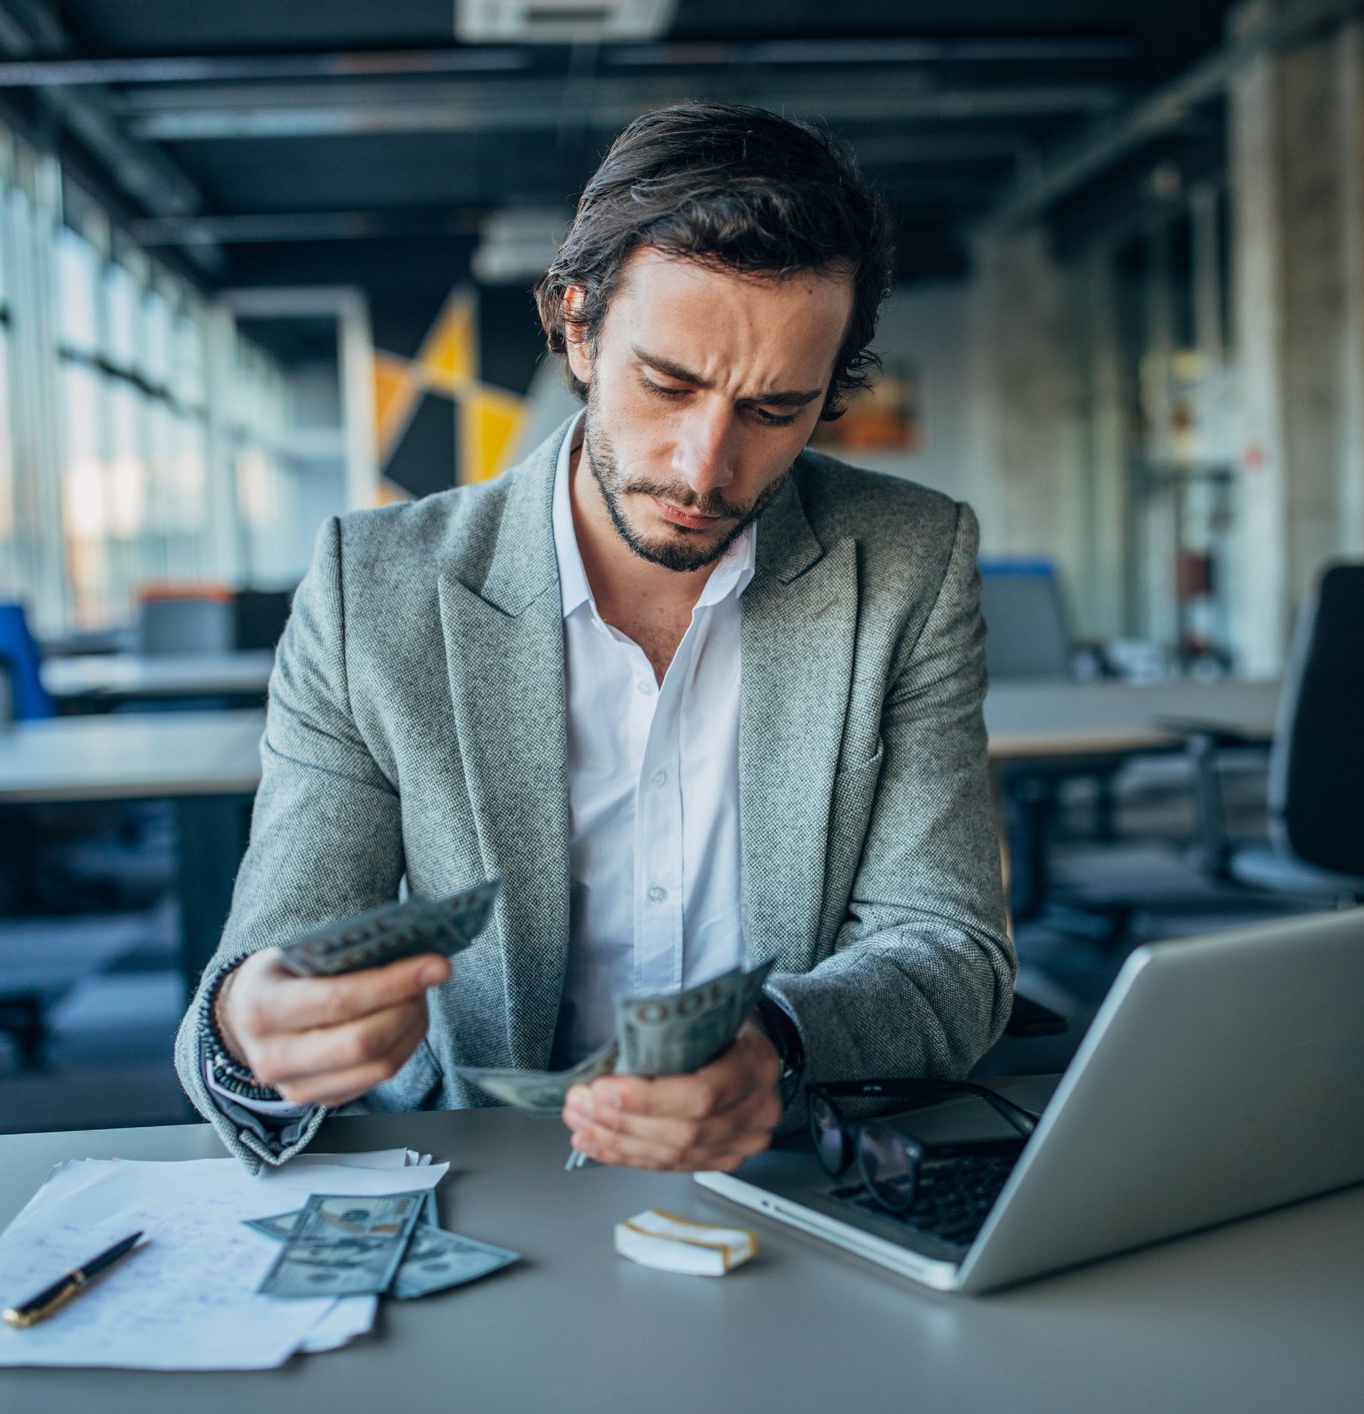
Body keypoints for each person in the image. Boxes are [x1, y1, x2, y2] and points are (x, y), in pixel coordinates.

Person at [177, 101, 1012, 1174]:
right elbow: (271, 959)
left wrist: (782, 1043)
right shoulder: (371, 589)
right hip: (480, 1174)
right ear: (578, 324)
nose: (705, 467)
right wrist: (253, 1032)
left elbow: (952, 951)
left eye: (774, 410)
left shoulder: (909, 559)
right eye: (668, 384)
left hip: (785, 1172)